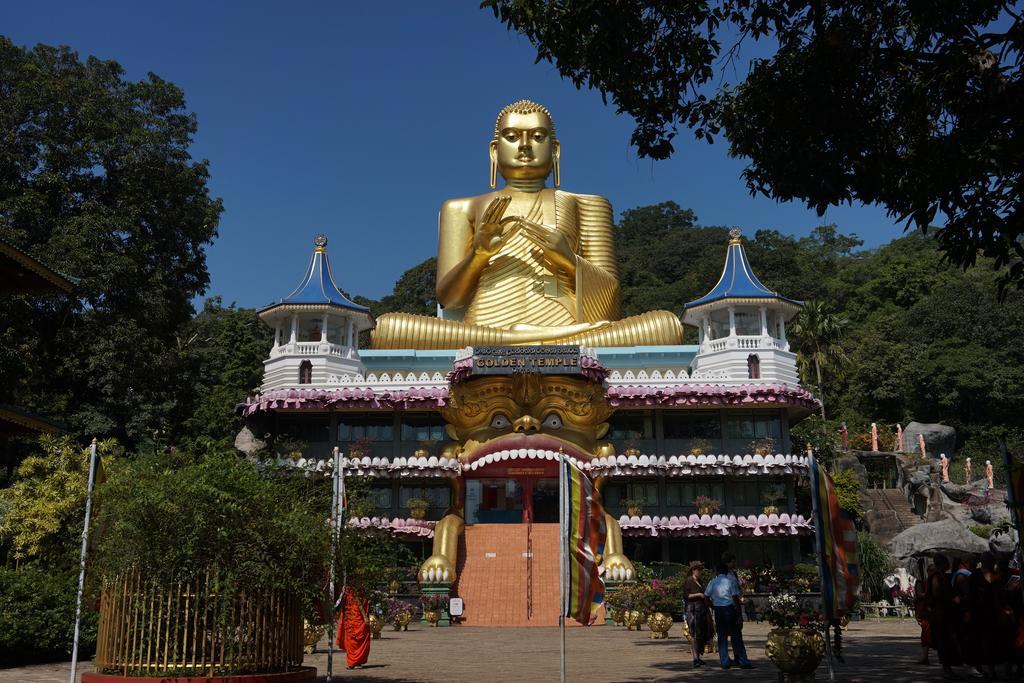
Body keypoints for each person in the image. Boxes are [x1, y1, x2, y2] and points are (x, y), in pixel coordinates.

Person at [705, 562, 753, 670]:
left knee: (722, 637)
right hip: (730, 609)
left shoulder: (712, 582)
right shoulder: (730, 581)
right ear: (726, 571)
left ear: (717, 571)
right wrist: (739, 614)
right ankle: (743, 661)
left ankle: (725, 661)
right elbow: (735, 599)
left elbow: (706, 597)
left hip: (718, 610)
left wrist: (712, 606)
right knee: (736, 636)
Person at [926, 555, 960, 679]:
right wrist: (951, 600)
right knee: (944, 642)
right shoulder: (936, 577)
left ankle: (948, 668)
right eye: (946, 562)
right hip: (941, 615)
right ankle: (946, 669)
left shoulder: (942, 576)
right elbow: (937, 594)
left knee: (948, 641)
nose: (948, 565)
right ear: (942, 563)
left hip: (945, 614)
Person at [683, 561, 713, 668]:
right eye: (698, 569)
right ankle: (695, 658)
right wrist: (699, 594)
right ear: (693, 570)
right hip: (693, 611)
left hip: (702, 610)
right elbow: (686, 595)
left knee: (701, 634)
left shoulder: (699, 581)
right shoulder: (689, 581)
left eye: (701, 570)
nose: (700, 571)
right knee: (694, 634)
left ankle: (699, 658)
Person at [335, 584, 370, 670]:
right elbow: (359, 603)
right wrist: (365, 617)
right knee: (353, 640)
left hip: (351, 617)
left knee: (352, 640)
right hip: (354, 616)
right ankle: (353, 662)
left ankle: (355, 662)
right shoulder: (354, 587)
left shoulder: (347, 587)